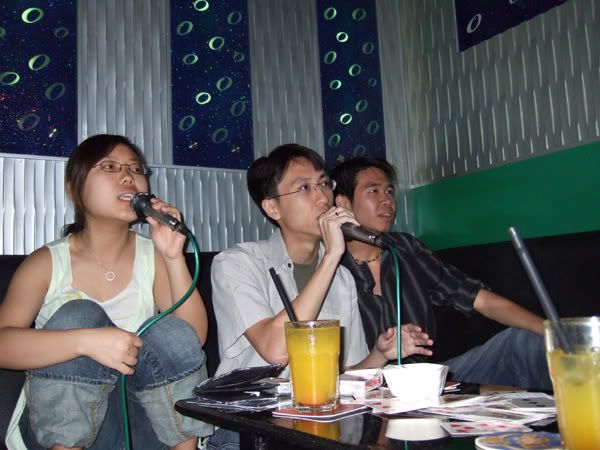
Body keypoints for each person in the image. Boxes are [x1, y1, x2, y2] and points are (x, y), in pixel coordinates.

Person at [208, 144, 432, 450]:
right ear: (273, 208)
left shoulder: (341, 279)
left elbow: (344, 377)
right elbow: (276, 350)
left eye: (325, 184)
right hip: (248, 429)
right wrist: (331, 256)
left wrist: (381, 353)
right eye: (304, 188)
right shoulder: (236, 263)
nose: (323, 197)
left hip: (314, 426)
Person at [0, 134, 212, 450]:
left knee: (168, 330)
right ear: (74, 190)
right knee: (79, 315)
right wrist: (85, 342)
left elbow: (190, 339)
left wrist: (172, 257)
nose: (128, 176)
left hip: (141, 422)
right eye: (110, 167)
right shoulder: (46, 262)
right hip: (59, 428)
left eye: (135, 168)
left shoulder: (153, 256)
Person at [331, 156, 551, 390]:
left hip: (430, 382)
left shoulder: (405, 249)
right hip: (366, 391)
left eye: (389, 191)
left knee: (526, 342)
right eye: (373, 191)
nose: (387, 201)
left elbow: (478, 299)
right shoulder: (330, 266)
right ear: (344, 203)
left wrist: (554, 331)